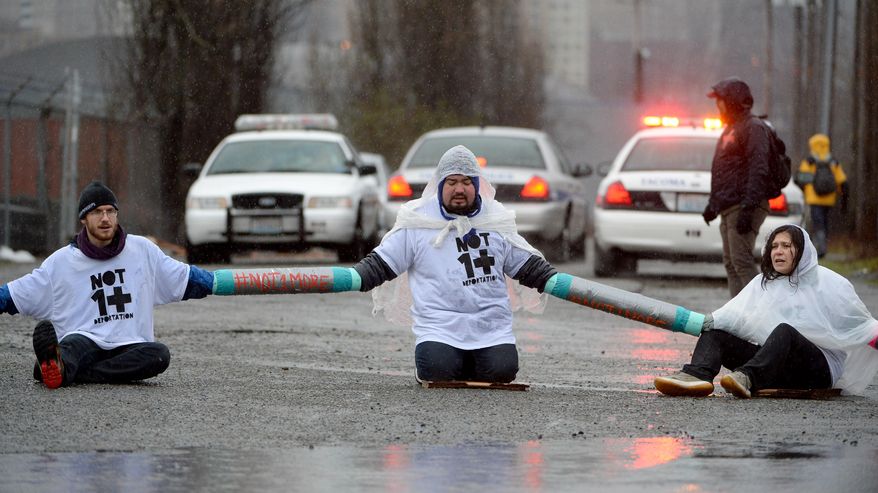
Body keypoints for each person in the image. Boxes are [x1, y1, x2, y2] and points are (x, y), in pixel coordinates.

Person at [352, 145, 556, 383]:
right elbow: (380, 264)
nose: (459, 189)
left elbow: (528, 266)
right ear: (440, 185)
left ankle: (474, 360)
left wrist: (556, 281)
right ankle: (447, 361)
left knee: (502, 372)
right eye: (451, 182)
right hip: (439, 327)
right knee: (439, 370)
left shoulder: (495, 219)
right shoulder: (418, 220)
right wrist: (352, 277)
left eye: (467, 182)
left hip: (490, 327)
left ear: (477, 185)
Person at [0, 181, 214, 389]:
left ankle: (66, 372)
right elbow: (13, 295)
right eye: (97, 212)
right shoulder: (61, 262)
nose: (105, 218)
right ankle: (62, 364)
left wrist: (235, 282)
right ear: (84, 218)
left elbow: (190, 280)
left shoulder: (142, 250)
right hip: (84, 340)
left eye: (110, 211)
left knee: (159, 355)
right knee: (70, 347)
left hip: (130, 344)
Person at [654, 224, 878, 398]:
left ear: (802, 250)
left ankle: (747, 378)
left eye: (786, 246)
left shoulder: (829, 282)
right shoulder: (763, 282)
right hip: (774, 367)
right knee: (718, 330)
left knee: (785, 332)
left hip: (816, 370)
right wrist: (704, 324)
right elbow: (731, 316)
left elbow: (861, 325)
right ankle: (696, 376)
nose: (778, 252)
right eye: (774, 246)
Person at [701, 77, 774, 297]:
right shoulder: (731, 129)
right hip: (730, 208)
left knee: (741, 262)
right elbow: (725, 171)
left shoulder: (753, 128)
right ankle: (738, 316)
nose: (718, 106)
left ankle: (761, 314)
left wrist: (749, 207)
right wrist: (713, 205)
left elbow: (758, 168)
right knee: (732, 263)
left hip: (744, 206)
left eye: (721, 101)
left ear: (732, 101)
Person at [794, 133, 849, 258]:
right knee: (824, 223)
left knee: (816, 223)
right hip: (829, 199)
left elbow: (800, 179)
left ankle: (818, 248)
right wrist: (844, 200)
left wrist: (804, 191)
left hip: (814, 199)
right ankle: (822, 246)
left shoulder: (809, 161)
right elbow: (843, 182)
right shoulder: (833, 162)